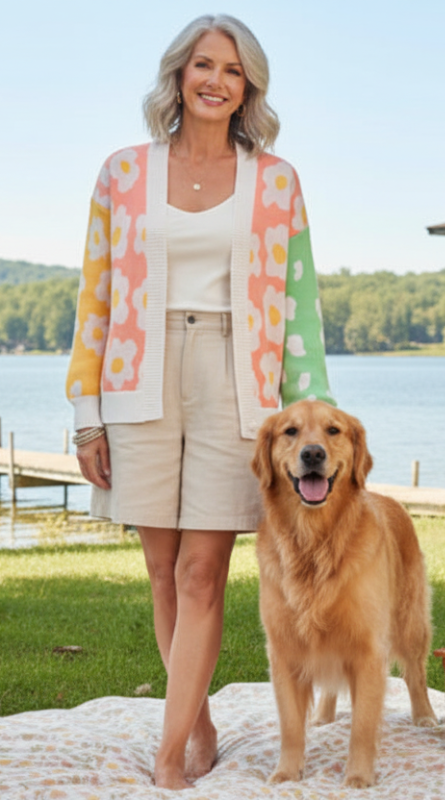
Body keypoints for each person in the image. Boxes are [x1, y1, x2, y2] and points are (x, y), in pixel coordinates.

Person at [66, 13, 334, 791]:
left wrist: (310, 418)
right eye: (204, 65)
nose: (217, 81)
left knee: (201, 572)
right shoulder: (122, 172)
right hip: (137, 371)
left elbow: (300, 304)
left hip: (236, 378)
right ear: (179, 74)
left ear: (249, 88)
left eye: (234, 70)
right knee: (160, 569)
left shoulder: (277, 180)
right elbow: (95, 295)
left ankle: (167, 756)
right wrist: (86, 414)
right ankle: (199, 722)